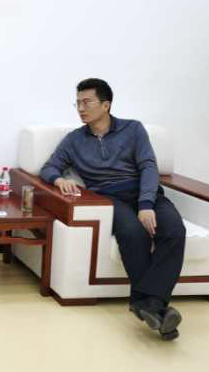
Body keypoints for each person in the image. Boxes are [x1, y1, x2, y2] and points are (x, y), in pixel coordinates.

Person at [40, 78, 186, 340]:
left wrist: (146, 204)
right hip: (109, 198)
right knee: (133, 233)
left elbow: (148, 166)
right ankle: (156, 307)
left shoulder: (133, 129)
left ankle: (148, 304)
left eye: (87, 102)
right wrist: (59, 179)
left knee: (175, 230)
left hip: (145, 193)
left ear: (105, 105)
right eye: (77, 103)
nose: (80, 108)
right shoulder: (74, 140)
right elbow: (49, 167)